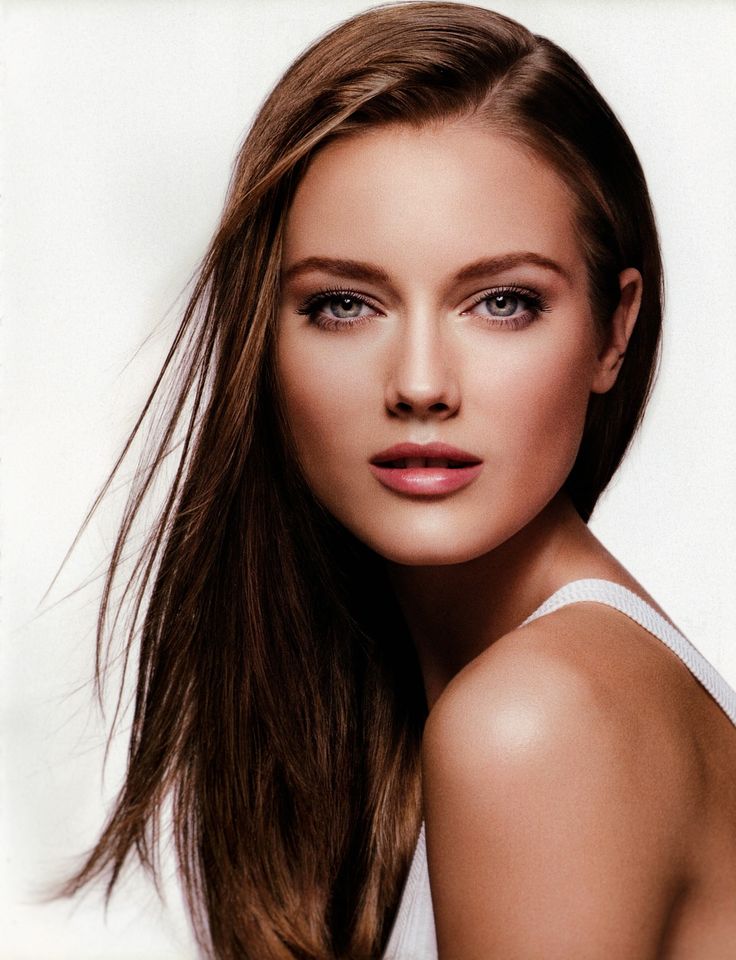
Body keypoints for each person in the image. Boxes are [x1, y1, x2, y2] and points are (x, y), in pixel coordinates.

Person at [54, 2, 736, 958]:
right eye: (344, 305)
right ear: (262, 334)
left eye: (503, 302)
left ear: (613, 331)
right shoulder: (533, 694)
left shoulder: (538, 723)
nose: (419, 383)